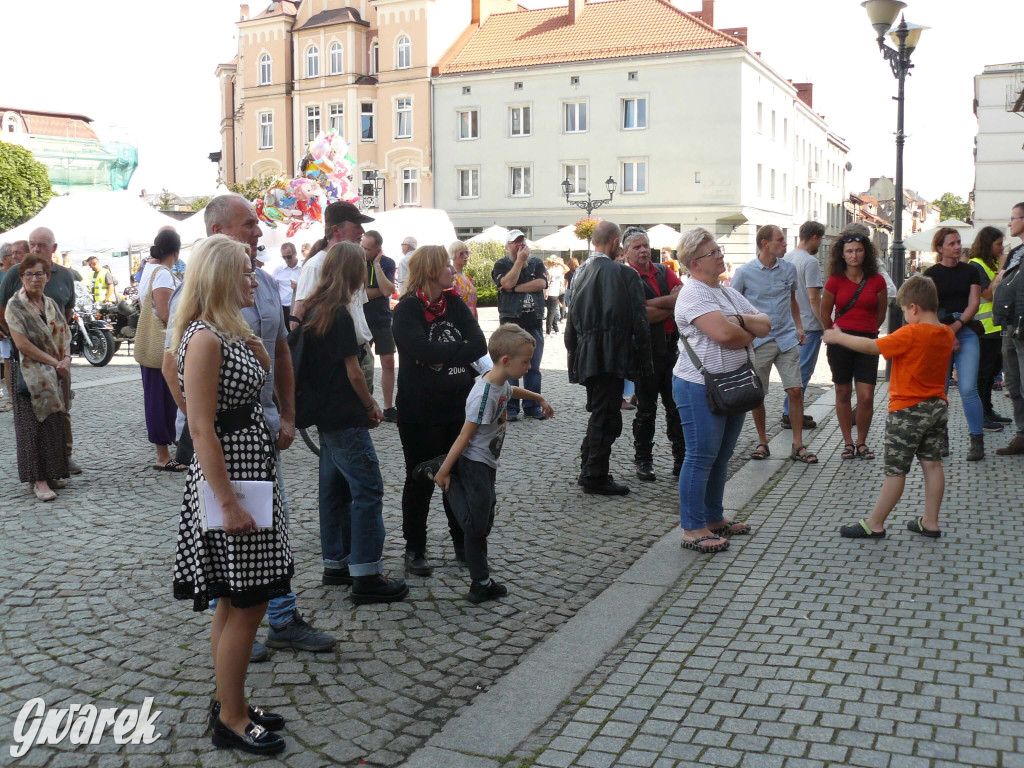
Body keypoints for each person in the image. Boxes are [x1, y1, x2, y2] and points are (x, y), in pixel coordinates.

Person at [162, 194, 335, 663]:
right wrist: (208, 420)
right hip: (227, 445)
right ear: (219, 231)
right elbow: (171, 363)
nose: (259, 233)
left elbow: (277, 350)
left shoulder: (257, 281)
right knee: (242, 572)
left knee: (259, 557)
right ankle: (252, 640)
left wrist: (286, 414)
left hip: (257, 436)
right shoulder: (200, 298)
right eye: (249, 225)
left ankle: (277, 621)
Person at [171, 235, 289, 756]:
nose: (253, 277)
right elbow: (200, 429)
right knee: (248, 601)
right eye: (245, 271)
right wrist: (230, 502)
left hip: (248, 472)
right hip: (232, 481)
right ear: (220, 276)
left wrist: (260, 356)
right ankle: (232, 718)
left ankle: (228, 701)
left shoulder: (226, 333)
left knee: (234, 597)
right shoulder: (204, 339)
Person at [298, 241, 409, 604]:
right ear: (354, 270)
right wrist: (371, 405)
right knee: (368, 489)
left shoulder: (314, 307)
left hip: (324, 412)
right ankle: (367, 573)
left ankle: (336, 563)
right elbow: (353, 372)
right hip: (345, 412)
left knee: (333, 490)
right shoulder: (339, 312)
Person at [432, 324, 553, 602]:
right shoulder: (484, 395)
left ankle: (482, 581)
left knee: (484, 522)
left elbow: (512, 393)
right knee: (476, 527)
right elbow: (465, 435)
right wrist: (445, 469)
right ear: (506, 361)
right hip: (473, 464)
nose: (529, 366)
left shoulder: (500, 383)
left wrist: (539, 397)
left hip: (487, 464)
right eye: (526, 362)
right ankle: (480, 584)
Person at [830, 276, 955, 539]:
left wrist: (839, 337)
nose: (905, 317)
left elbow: (871, 346)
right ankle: (930, 522)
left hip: (907, 411)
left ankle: (875, 523)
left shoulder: (911, 332)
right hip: (937, 408)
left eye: (903, 311)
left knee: (895, 471)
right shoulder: (946, 333)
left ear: (914, 308)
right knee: (932, 464)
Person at [672, 228, 770, 552]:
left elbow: (766, 323)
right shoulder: (694, 294)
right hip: (699, 385)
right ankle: (692, 527)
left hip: (732, 383)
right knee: (701, 456)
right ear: (695, 263)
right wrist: (745, 329)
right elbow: (726, 336)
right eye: (714, 252)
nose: (720, 255)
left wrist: (737, 320)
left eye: (719, 249)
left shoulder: (724, 292)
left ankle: (714, 517)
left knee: (722, 455)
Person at [392, 246, 486, 576]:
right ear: (431, 270)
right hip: (420, 410)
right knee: (420, 479)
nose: (452, 270)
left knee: (457, 477)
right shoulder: (407, 310)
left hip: (457, 407)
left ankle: (462, 542)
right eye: (446, 265)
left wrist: (438, 355)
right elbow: (416, 347)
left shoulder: (454, 304)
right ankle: (414, 549)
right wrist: (455, 352)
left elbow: (479, 344)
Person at [565, 221, 652, 496]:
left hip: (588, 354)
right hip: (612, 355)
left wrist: (573, 354)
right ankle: (594, 474)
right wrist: (644, 364)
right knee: (606, 416)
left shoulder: (578, 273)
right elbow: (640, 323)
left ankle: (589, 469)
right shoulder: (625, 275)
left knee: (599, 413)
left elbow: (571, 322)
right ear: (616, 242)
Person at [732, 225, 817, 464]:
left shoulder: (788, 269)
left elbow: (792, 301)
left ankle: (798, 444)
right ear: (765, 243)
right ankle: (762, 441)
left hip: (787, 337)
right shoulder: (745, 272)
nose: (785, 244)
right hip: (760, 341)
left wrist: (799, 326)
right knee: (757, 394)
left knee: (795, 390)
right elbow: (732, 304)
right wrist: (742, 332)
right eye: (780, 240)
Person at [0, 228, 80, 475]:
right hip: (26, 360)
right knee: (32, 416)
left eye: (41, 245)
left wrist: (62, 356)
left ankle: (63, 459)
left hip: (57, 359)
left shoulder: (64, 276)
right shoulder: (14, 273)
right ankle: (39, 473)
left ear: (53, 249)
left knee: (61, 410)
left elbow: (66, 315)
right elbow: (3, 308)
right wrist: (13, 335)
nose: (35, 249)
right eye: (32, 244)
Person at [5, 253, 72, 501]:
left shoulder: (51, 303)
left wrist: (66, 359)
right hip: (29, 374)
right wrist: (55, 362)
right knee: (32, 427)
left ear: (47, 277)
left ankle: (52, 473)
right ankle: (38, 480)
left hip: (53, 374)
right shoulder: (15, 305)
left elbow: (64, 334)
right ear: (21, 277)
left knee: (52, 425)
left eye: (39, 273)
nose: (35, 278)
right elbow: (22, 343)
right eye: (29, 274)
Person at [622, 226, 686, 482]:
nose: (643, 250)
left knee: (676, 408)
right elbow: (637, 314)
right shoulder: (626, 277)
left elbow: (683, 298)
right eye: (637, 247)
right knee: (646, 410)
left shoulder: (663, 270)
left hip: (671, 348)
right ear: (626, 252)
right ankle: (643, 461)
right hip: (644, 352)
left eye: (645, 245)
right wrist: (668, 306)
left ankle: (681, 459)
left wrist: (652, 305)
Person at [293, 202, 376, 393]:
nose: (361, 230)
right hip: (337, 359)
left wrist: (366, 348)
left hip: (361, 352)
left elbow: (358, 310)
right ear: (336, 229)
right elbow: (299, 317)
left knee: (363, 418)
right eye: (355, 224)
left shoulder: (354, 261)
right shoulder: (316, 265)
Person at [819, 230, 888, 459]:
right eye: (849, 251)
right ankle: (848, 442)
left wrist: (868, 328)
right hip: (840, 341)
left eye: (858, 250)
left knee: (866, 395)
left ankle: (862, 442)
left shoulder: (877, 280)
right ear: (842, 255)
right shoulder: (834, 280)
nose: (854, 255)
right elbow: (824, 312)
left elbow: (880, 313)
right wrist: (834, 333)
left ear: (865, 253)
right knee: (843, 391)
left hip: (867, 340)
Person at [924, 227, 985, 460]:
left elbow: (974, 303)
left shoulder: (970, 271)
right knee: (939, 391)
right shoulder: (930, 274)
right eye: (952, 243)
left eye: (959, 242)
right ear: (940, 248)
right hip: (939, 334)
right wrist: (946, 333)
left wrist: (956, 328)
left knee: (968, 388)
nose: (958, 247)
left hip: (965, 331)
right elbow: (928, 309)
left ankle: (977, 441)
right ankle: (942, 439)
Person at [138, 229, 185, 471]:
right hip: (162, 345)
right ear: (176, 253)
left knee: (159, 398)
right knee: (161, 399)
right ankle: (163, 455)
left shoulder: (149, 271)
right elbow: (167, 314)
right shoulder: (164, 275)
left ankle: (164, 451)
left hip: (154, 345)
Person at [492, 230, 548, 420]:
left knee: (533, 367)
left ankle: (532, 408)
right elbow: (506, 281)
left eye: (522, 241)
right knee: (511, 368)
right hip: (511, 324)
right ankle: (511, 408)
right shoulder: (501, 264)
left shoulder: (536, 263)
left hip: (534, 322)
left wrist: (514, 289)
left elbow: (541, 283)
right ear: (508, 246)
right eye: (516, 242)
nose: (520, 245)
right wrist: (518, 262)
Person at [782, 221, 826, 430]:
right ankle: (790, 414)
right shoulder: (810, 262)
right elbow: (814, 298)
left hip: (791, 323)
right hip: (809, 323)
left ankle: (789, 411)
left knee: (794, 371)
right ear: (815, 238)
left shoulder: (788, 257)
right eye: (821, 239)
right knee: (803, 372)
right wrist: (825, 324)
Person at [967, 226, 1011, 432]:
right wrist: (1002, 270)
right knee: (983, 373)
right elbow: (987, 294)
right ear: (987, 244)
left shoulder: (990, 264)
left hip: (996, 326)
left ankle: (988, 408)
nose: (1001, 249)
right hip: (984, 328)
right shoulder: (976, 265)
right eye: (998, 244)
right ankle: (982, 414)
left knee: (992, 371)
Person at [361, 230, 398, 421]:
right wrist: (378, 291)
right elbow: (360, 293)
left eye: (367, 248)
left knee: (388, 362)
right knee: (362, 363)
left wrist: (377, 266)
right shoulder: (356, 261)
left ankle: (388, 406)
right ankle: (365, 403)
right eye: (362, 246)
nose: (363, 251)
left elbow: (389, 290)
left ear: (378, 249)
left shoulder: (387, 263)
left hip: (382, 319)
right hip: (361, 319)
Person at [996, 202, 1024, 456]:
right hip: (1011, 326)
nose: (1009, 223)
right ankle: (1021, 435)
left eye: (1013, 218)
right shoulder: (1015, 252)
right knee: (1013, 384)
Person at [0, 240, 28, 410]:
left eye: (18, 253)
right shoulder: (6, 274)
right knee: (9, 361)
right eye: (13, 254)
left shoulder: (24, 272)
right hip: (6, 327)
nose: (16, 257)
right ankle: (13, 400)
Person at [271, 243, 301, 321]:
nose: (286, 259)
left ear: (295, 254)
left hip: (300, 307)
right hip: (284, 309)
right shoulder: (278, 270)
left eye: (289, 256)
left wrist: (299, 286)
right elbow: (272, 289)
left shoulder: (304, 267)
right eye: (284, 257)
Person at [449, 240, 477, 319]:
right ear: (453, 255)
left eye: (467, 253)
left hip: (472, 320)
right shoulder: (452, 278)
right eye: (461, 253)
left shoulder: (468, 278)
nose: (465, 256)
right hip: (459, 320)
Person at [544, 257, 565, 335]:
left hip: (546, 293)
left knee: (551, 311)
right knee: (551, 312)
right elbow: (567, 269)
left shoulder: (546, 271)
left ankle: (555, 329)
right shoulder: (555, 272)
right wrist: (560, 263)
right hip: (553, 293)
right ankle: (548, 331)